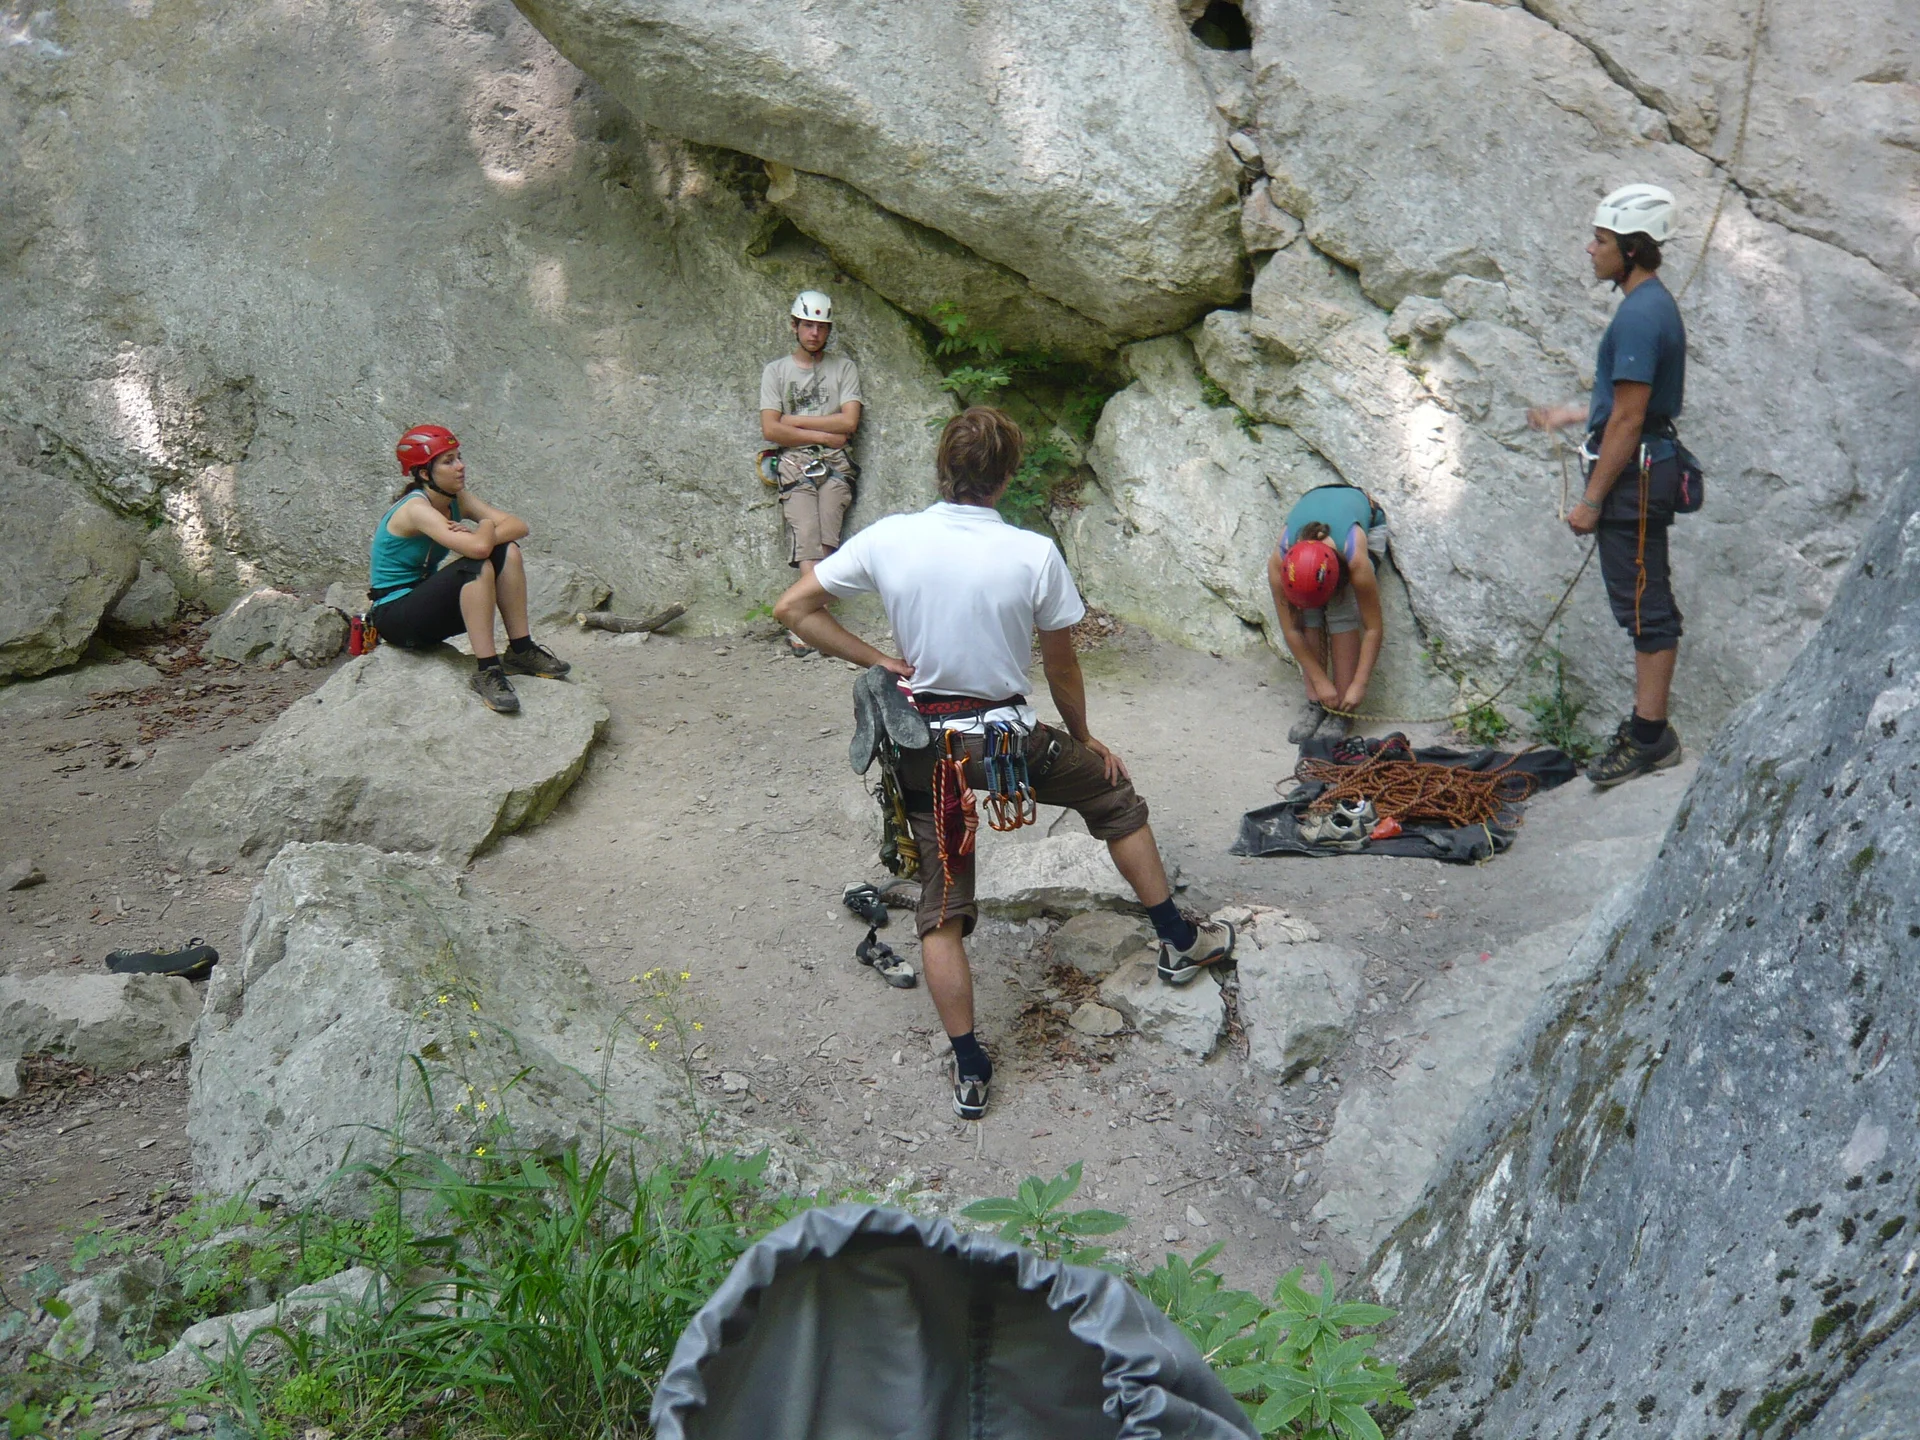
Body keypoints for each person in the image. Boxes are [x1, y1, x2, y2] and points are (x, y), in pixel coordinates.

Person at [774, 407, 1235, 1121]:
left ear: (941, 466)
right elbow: (1062, 666)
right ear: (1007, 477)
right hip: (1009, 744)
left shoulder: (892, 538)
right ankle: (1178, 940)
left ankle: (970, 1068)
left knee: (943, 910)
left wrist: (880, 660)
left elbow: (795, 608)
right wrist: (1086, 738)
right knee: (1113, 798)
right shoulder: (1032, 554)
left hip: (927, 749)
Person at [1527, 183, 1688, 787]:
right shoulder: (1645, 307)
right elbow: (1625, 406)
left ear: (1631, 248)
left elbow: (1630, 416)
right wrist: (1574, 415)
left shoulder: (1643, 315)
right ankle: (1648, 730)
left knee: (1646, 608)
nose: (1588, 249)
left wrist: (1591, 500)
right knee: (1640, 602)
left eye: (1600, 240)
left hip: (1632, 482)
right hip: (1639, 470)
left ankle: (1651, 737)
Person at [367, 424, 570, 715]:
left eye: (459, 457)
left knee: (507, 550)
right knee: (475, 565)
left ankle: (522, 650)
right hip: (395, 617)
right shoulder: (416, 508)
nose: (460, 466)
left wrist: (485, 533)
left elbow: (518, 526)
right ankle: (487, 671)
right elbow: (477, 549)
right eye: (449, 461)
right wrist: (486, 525)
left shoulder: (455, 499)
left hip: (425, 604)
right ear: (425, 474)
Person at [760, 291, 862, 656]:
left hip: (835, 463)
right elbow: (771, 430)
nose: (814, 333)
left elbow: (850, 421)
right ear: (795, 326)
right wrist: (824, 434)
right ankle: (813, 624)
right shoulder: (776, 371)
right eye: (808, 325)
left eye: (820, 327)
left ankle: (808, 624)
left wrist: (794, 421)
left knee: (826, 539)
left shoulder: (843, 369)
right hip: (794, 462)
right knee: (806, 536)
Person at [1268, 485, 1388, 744]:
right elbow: (1291, 629)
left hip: (1366, 519)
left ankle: (1342, 710)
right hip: (1316, 500)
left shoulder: (1355, 558)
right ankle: (1316, 702)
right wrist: (1320, 681)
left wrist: (1359, 685)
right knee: (1309, 614)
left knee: (1341, 609)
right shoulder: (1279, 563)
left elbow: (1373, 628)